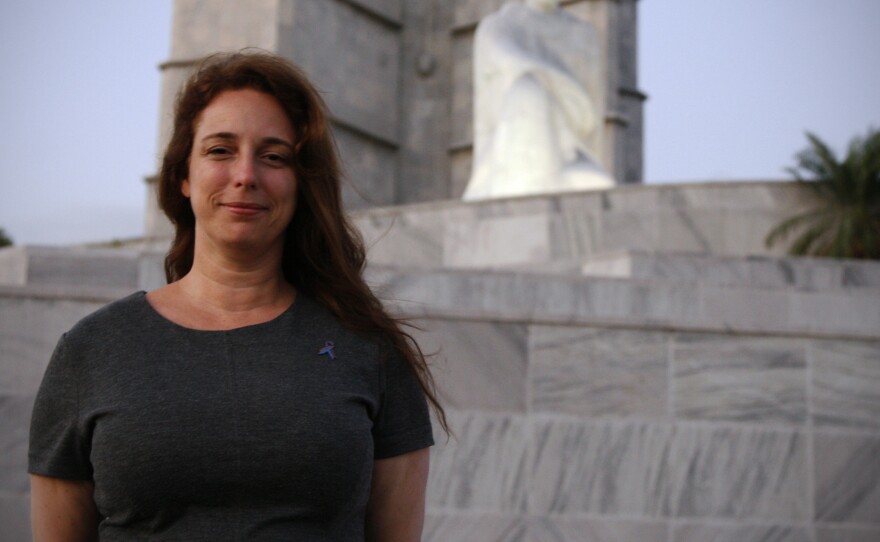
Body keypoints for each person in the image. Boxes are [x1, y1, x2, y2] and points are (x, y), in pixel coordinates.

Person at [28, 51, 446, 541]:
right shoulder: (91, 351)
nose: (246, 175)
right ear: (183, 175)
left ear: (301, 183)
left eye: (273, 156)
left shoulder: (369, 350)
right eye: (220, 150)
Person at [463, 0, 614, 201]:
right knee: (527, 90)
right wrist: (571, 97)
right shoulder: (499, 26)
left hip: (568, 150)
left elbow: (592, 126)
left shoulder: (584, 35)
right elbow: (510, 60)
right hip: (517, 139)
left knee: (602, 188)